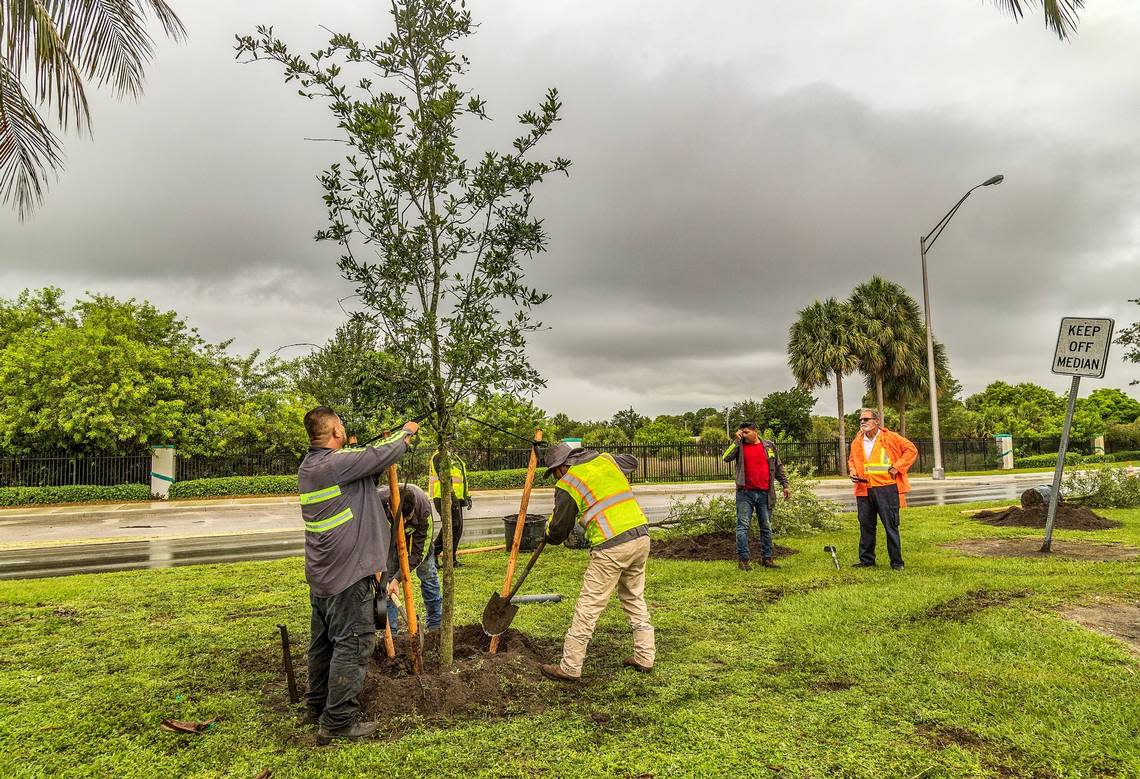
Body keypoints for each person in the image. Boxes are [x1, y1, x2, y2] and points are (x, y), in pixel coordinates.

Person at [297, 406, 418, 744]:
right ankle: (336, 724)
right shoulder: (336, 464)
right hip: (348, 578)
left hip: (323, 577)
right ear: (335, 431)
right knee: (353, 646)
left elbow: (364, 470)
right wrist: (405, 434)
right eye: (342, 425)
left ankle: (315, 707)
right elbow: (380, 454)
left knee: (322, 647)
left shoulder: (311, 467)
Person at [538, 442, 655, 682]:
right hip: (641, 536)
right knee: (634, 597)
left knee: (589, 605)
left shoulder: (568, 483)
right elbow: (631, 461)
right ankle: (645, 656)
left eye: (554, 472)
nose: (555, 477)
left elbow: (559, 530)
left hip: (612, 544)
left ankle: (570, 667)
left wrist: (547, 534)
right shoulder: (605, 460)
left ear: (561, 466)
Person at [847, 408, 917, 571]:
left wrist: (897, 467)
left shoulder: (890, 437)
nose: (862, 422)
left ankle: (897, 563)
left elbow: (911, 450)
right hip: (864, 488)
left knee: (890, 526)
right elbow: (852, 460)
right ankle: (866, 561)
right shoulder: (858, 440)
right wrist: (852, 471)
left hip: (886, 488)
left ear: (876, 421)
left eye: (866, 419)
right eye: (861, 420)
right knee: (866, 525)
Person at [721, 421, 790, 571]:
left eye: (746, 432)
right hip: (745, 493)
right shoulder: (740, 445)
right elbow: (725, 457)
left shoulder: (768, 446)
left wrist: (785, 485)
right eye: (742, 432)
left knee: (766, 527)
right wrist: (737, 441)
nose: (744, 435)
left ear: (755, 431)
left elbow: (778, 466)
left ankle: (767, 559)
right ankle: (744, 560)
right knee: (743, 526)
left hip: (765, 493)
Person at [378, 483, 442, 631]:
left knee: (428, 575)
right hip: (391, 540)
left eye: (408, 518)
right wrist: (388, 577)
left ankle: (435, 625)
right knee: (388, 583)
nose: (404, 522)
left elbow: (419, 554)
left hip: (417, 541)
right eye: (400, 518)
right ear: (389, 506)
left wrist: (398, 578)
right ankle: (392, 631)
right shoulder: (376, 501)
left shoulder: (424, 511)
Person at [430, 450, 470, 567]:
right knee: (452, 525)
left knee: (458, 528)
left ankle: (451, 559)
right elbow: (444, 479)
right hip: (443, 496)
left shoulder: (454, 456)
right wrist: (451, 495)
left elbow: (462, 479)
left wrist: (466, 496)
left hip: (457, 497)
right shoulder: (439, 455)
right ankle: (433, 552)